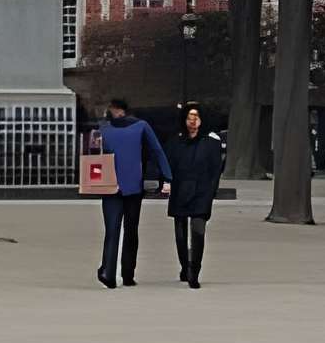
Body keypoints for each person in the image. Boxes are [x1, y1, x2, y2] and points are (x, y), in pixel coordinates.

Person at [87, 97, 171, 288]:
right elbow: (157, 150)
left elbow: (93, 158)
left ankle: (108, 271)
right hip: (133, 186)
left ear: (115, 110)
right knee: (131, 230)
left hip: (110, 186)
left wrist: (92, 181)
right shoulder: (141, 126)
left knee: (112, 230)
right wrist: (167, 176)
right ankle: (127, 273)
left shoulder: (102, 129)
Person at [163, 102, 227, 286]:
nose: (193, 121)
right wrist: (166, 182)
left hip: (201, 191)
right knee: (181, 235)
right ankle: (185, 266)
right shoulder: (175, 142)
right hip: (180, 190)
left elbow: (215, 170)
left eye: (196, 117)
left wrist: (210, 192)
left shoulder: (211, 143)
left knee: (198, 233)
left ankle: (194, 271)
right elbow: (168, 165)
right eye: (189, 117)